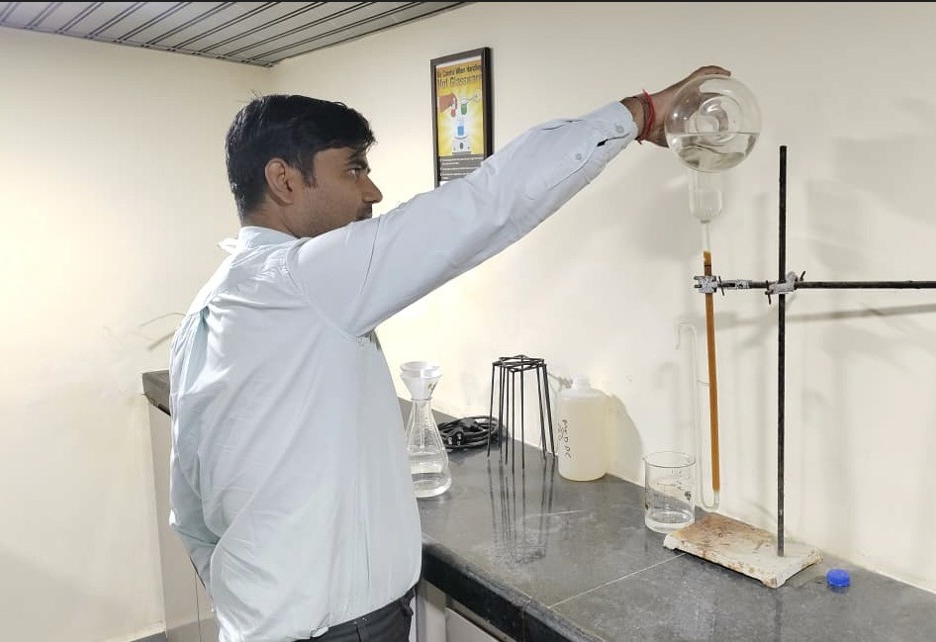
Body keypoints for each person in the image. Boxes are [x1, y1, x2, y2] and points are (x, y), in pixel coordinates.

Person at [168, 64, 731, 642]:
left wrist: (254, 597)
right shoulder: (303, 280)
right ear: (284, 180)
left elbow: (187, 507)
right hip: (340, 630)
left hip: (256, 624)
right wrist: (642, 113)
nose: (372, 191)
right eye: (354, 169)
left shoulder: (207, 308)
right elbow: (488, 203)